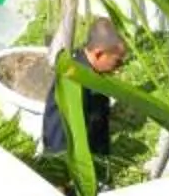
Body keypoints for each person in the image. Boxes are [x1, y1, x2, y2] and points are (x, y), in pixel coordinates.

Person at [38, 15, 127, 172]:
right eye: (117, 62)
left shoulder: (93, 75)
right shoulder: (73, 82)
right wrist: (60, 179)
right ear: (99, 54)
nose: (119, 67)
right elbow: (57, 135)